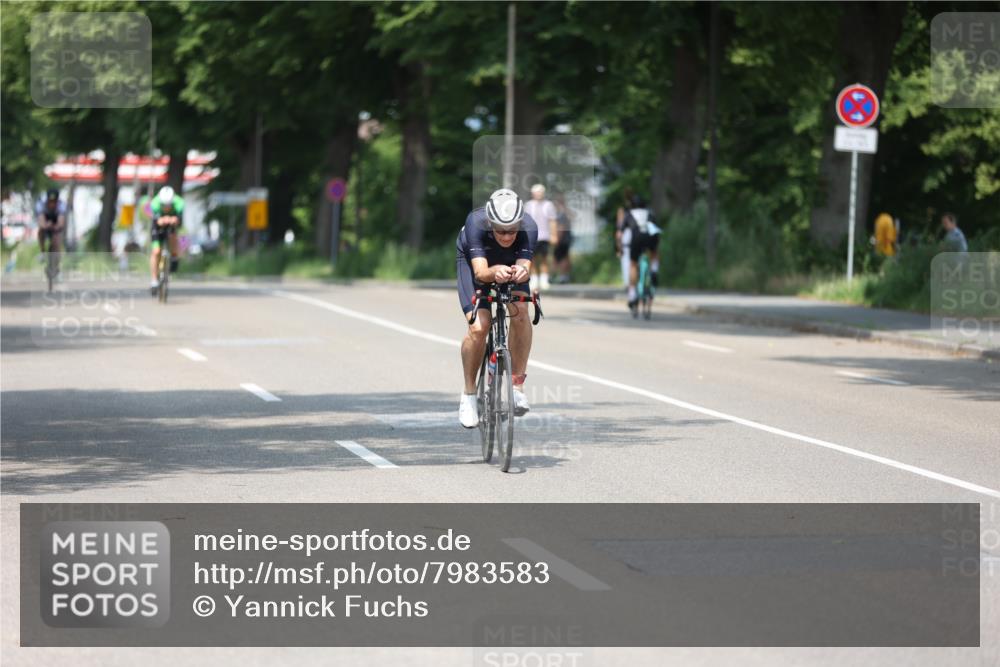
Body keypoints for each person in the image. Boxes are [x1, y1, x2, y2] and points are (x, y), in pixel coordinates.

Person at [456, 188, 538, 428]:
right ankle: (469, 395)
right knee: (479, 327)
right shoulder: (475, 223)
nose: (505, 236)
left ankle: (517, 387)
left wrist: (521, 271)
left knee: (521, 312)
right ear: (490, 223)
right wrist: (495, 272)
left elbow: (524, 265)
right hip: (476, 263)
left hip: (510, 262)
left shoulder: (529, 227)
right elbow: (481, 273)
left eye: (512, 231)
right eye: (500, 230)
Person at [616, 193, 661, 314]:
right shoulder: (650, 213)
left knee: (633, 264)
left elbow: (619, 234)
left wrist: (620, 248)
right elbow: (656, 229)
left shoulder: (629, 214)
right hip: (650, 236)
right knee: (654, 253)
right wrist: (656, 246)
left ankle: (632, 294)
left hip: (636, 238)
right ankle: (654, 270)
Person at [149, 185, 184, 294]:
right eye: (164, 205)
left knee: (173, 236)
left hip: (171, 225)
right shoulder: (154, 203)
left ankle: (174, 257)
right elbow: (156, 220)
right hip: (157, 227)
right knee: (156, 252)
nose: (166, 207)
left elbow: (179, 219)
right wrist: (162, 220)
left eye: (169, 205)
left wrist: (174, 219)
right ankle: (154, 280)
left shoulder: (179, 203)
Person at [523, 183, 558, 291]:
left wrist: (554, 235)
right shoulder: (528, 205)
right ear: (532, 194)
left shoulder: (549, 205)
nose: (538, 194)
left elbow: (552, 221)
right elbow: (524, 221)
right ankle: (533, 279)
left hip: (544, 236)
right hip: (531, 236)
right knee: (531, 259)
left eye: (540, 192)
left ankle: (544, 279)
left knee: (544, 258)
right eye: (536, 192)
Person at [36, 189, 66, 256]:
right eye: (50, 201)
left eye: (54, 201)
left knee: (56, 240)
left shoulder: (61, 205)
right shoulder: (41, 205)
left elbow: (60, 224)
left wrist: (54, 227)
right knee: (40, 231)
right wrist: (47, 225)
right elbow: (41, 223)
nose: (52, 204)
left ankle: (56, 260)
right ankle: (42, 251)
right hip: (45, 225)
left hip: (56, 226)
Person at [552, 194, 573, 283]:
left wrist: (557, 239)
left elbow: (560, 228)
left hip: (561, 239)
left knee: (560, 258)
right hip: (567, 238)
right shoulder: (565, 213)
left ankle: (560, 276)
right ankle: (564, 276)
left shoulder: (560, 214)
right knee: (565, 257)